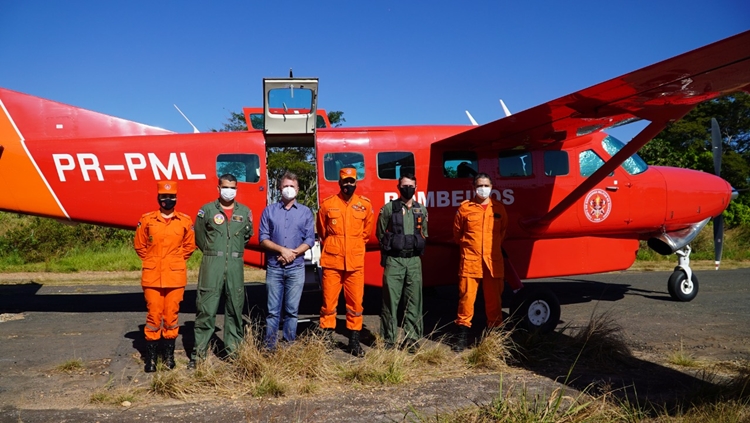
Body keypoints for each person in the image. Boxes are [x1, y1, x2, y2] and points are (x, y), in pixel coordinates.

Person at [189, 174, 254, 368]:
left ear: (237, 189)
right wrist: (213, 252)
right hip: (212, 263)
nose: (229, 191)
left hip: (235, 264)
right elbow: (199, 236)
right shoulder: (207, 210)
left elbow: (247, 236)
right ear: (218, 188)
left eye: (233, 187)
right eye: (226, 187)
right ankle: (199, 355)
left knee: (235, 308)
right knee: (206, 309)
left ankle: (233, 353)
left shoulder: (245, 211)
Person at [134, 181, 196, 372]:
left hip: (175, 277)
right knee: (153, 316)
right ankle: (151, 358)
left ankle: (168, 357)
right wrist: (155, 261)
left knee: (171, 316)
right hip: (153, 275)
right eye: (164, 197)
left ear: (176, 198)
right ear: (158, 198)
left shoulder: (184, 221)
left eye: (171, 197)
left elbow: (189, 247)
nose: (167, 200)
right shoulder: (147, 220)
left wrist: (173, 261)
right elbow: (140, 245)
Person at [317, 167, 374, 356]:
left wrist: (353, 247)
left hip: (355, 264)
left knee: (356, 305)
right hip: (332, 262)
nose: (348, 184)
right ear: (339, 183)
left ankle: (354, 342)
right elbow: (323, 232)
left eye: (351, 181)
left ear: (356, 182)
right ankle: (326, 340)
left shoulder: (365, 205)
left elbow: (366, 234)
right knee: (328, 303)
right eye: (345, 181)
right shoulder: (327, 204)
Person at [452, 173, 508, 352]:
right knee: (466, 300)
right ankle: (462, 336)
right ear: (473, 187)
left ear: (491, 186)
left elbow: (503, 232)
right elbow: (457, 234)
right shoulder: (465, 209)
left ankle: (495, 338)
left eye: (486, 185)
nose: (483, 188)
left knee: (494, 301)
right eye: (479, 185)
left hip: (493, 262)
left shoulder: (499, 209)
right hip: (471, 261)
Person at [259, 172, 315, 350]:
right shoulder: (269, 211)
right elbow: (263, 238)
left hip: (296, 268)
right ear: (279, 189)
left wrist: (294, 253)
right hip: (274, 267)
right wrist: (282, 250)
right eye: (285, 186)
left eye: (292, 186)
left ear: (297, 190)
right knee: (272, 312)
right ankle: (270, 346)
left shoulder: (306, 212)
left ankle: (289, 345)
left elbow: (309, 240)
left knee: (292, 311)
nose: (288, 189)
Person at [377, 173, 428, 352]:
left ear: (416, 187)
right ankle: (389, 340)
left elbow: (425, 233)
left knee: (414, 301)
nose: (408, 188)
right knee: (390, 301)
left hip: (414, 261)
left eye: (411, 185)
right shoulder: (388, 209)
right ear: (399, 188)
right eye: (405, 185)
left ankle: (412, 339)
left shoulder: (421, 209)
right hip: (394, 261)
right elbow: (380, 233)